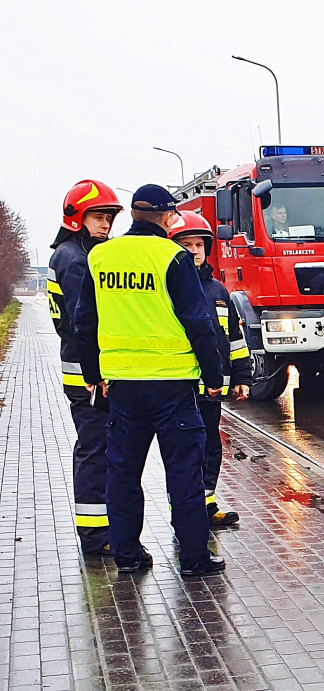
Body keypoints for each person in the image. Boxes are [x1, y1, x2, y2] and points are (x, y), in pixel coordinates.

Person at [74, 184, 226, 576]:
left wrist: (94, 375)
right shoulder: (173, 257)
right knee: (184, 474)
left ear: (132, 214)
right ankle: (193, 559)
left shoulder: (101, 257)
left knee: (122, 474)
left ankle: (128, 556)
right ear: (168, 216)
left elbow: (83, 322)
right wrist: (213, 378)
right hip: (173, 386)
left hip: (122, 386)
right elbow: (199, 322)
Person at [47, 180, 123, 556]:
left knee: (99, 448)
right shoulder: (76, 260)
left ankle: (100, 528)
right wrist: (99, 375)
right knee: (95, 450)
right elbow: (84, 322)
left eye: (109, 217)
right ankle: (95, 536)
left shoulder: (68, 254)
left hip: (84, 372)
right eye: (98, 217)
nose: (106, 225)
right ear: (77, 217)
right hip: (88, 375)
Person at [168, 211, 252, 525]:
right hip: (182, 387)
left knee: (211, 447)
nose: (194, 250)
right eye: (186, 244)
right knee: (186, 452)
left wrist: (242, 376)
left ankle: (207, 504)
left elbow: (234, 338)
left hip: (212, 390)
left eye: (199, 244)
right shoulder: (170, 290)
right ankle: (186, 510)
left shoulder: (219, 292)